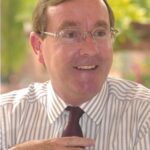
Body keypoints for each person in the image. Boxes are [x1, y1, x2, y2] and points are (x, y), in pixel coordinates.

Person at [0, 0, 150, 149]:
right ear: (38, 47)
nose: (90, 50)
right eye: (71, 34)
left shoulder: (143, 114)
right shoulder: (5, 116)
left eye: (100, 33)